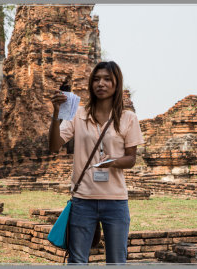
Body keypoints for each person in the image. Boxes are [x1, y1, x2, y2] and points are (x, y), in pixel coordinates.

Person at [49, 61, 144, 264]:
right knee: (77, 260)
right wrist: (56, 113)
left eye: (108, 79)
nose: (101, 83)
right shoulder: (78, 114)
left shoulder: (128, 118)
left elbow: (131, 159)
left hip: (116, 201)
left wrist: (112, 162)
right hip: (83, 199)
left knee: (117, 261)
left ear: (116, 84)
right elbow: (54, 146)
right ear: (91, 84)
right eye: (97, 79)